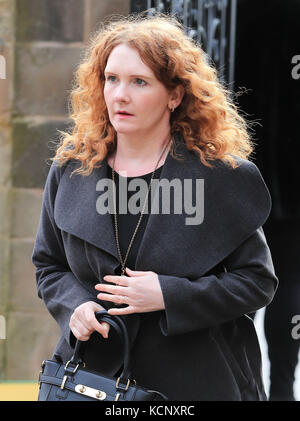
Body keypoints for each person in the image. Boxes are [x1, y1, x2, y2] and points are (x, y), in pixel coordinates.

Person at [32, 13, 278, 401]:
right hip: (93, 380)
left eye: (139, 82)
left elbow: (257, 282)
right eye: (111, 79)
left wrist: (168, 294)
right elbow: (49, 266)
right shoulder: (71, 170)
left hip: (193, 381)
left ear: (175, 95)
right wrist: (75, 307)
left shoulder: (221, 178)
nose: (119, 95)